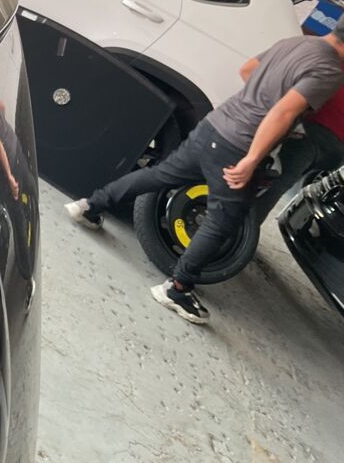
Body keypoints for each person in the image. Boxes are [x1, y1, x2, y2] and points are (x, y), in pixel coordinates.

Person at [64, 24, 344, 325]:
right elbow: (283, 113)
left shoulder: (294, 43)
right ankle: (177, 288)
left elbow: (248, 69)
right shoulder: (330, 69)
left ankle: (89, 206)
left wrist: (257, 102)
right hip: (239, 144)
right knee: (223, 220)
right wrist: (252, 158)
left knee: (161, 175)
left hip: (215, 124)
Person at [252, 81, 344, 224]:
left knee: (272, 184)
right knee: (278, 183)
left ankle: (240, 230)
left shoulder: (335, 70)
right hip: (336, 147)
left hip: (314, 133)